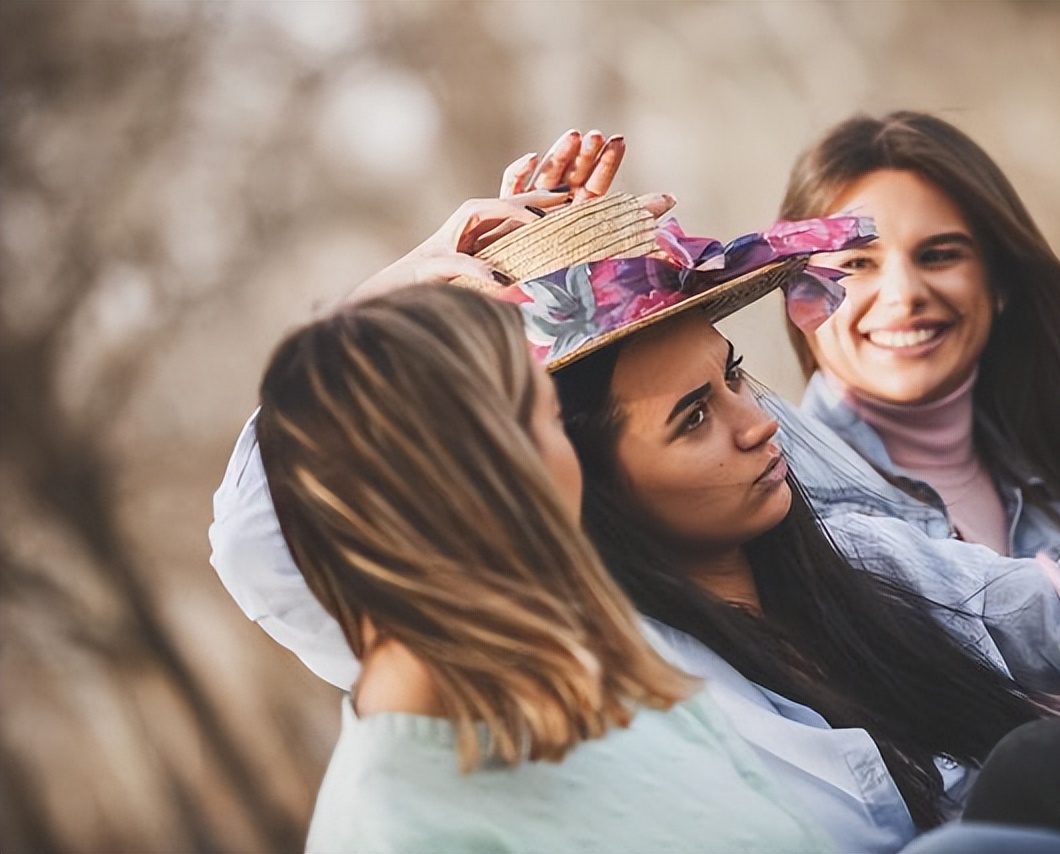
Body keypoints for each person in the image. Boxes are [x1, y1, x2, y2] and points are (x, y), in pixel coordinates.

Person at [214, 190, 1060, 853]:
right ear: (584, 475)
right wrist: (390, 311)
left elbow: (1046, 602)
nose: (758, 423)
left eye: (734, 377)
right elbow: (270, 542)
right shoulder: (598, 676)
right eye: (690, 417)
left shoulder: (834, 557)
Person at [253, 282, 840, 853]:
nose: (579, 467)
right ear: (472, 480)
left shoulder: (616, 680)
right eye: (549, 421)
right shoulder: (395, 832)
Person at [776, 110, 1060, 560]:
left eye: (939, 255)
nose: (905, 294)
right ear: (797, 293)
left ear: (1000, 281)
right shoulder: (785, 514)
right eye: (856, 263)